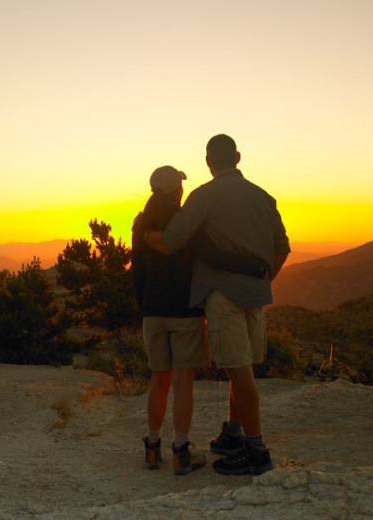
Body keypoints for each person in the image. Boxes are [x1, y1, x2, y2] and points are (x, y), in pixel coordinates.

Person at [144, 135, 290, 475]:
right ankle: (233, 432)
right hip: (255, 294)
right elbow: (282, 248)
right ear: (237, 157)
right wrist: (263, 281)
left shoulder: (205, 196)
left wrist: (143, 233)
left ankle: (255, 451)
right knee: (244, 365)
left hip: (223, 295)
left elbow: (171, 242)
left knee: (239, 371)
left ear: (208, 162)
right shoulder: (264, 197)